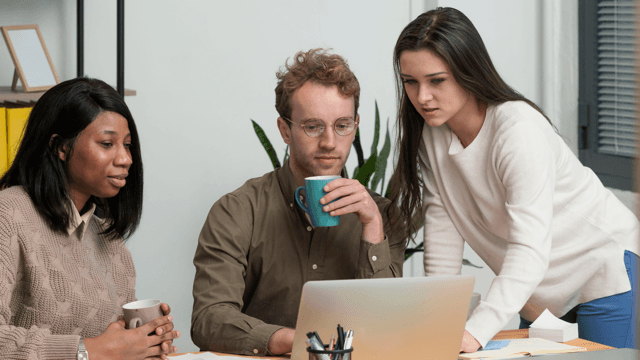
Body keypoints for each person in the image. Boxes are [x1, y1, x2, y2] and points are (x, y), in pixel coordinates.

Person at [390, 7, 639, 352]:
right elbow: (443, 230)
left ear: (467, 70)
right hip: (537, 293)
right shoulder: (432, 138)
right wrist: (441, 322)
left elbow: (529, 248)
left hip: (603, 268)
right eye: (410, 82)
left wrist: (476, 331)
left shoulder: (517, 131)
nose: (422, 97)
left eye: (436, 80)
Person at [191, 48, 406, 356]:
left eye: (342, 125)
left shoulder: (381, 215)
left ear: (355, 126)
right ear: (284, 130)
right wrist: (290, 341)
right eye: (312, 126)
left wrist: (372, 228)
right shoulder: (237, 211)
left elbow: (387, 328)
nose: (330, 142)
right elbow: (209, 320)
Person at [0, 77, 180, 360]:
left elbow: (111, 348)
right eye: (107, 143)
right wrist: (87, 351)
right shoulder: (8, 213)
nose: (126, 159)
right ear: (60, 147)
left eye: (128, 145)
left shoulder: (108, 235)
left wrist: (143, 342)